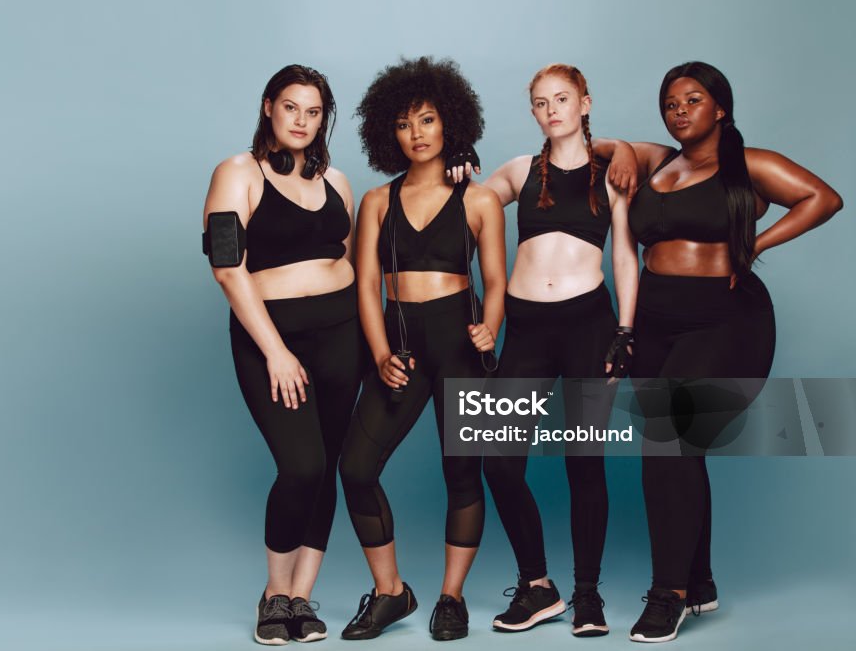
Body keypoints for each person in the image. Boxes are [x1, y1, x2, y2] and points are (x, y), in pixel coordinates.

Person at [614, 61, 842, 643]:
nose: (681, 110)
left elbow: (824, 197)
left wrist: (753, 244)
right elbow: (597, 146)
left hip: (726, 321)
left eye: (693, 99)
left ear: (720, 107)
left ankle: (670, 595)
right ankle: (701, 583)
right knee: (678, 449)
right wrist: (617, 148)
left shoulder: (747, 164)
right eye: (670, 103)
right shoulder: (658, 162)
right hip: (656, 325)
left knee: (668, 440)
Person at [337, 56, 506, 641]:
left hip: (460, 345)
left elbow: (496, 280)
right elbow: (364, 285)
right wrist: (381, 353)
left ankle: (451, 598)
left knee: (462, 474)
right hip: (400, 347)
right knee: (356, 469)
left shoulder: (479, 200)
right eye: (405, 124)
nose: (417, 133)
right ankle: (391, 593)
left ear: (449, 123)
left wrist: (491, 323)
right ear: (390, 132)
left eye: (428, 120)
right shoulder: (376, 202)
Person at [202, 65, 364, 646]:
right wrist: (275, 350)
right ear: (269, 106)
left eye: (314, 111)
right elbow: (227, 265)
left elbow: (347, 260)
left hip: (342, 335)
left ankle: (302, 596)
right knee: (302, 465)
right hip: (273, 339)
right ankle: (273, 596)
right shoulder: (237, 173)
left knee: (328, 466)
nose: (302, 120)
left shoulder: (338, 182)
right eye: (291, 107)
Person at [481, 64, 638, 638]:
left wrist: (625, 330)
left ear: (584, 103)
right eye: (541, 102)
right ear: (533, 113)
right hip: (525, 328)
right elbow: (473, 202)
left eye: (562, 99)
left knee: (583, 463)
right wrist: (457, 168)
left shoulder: (610, 173)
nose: (552, 109)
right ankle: (537, 587)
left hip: (588, 326)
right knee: (497, 460)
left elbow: (624, 255)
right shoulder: (521, 170)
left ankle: (587, 595)